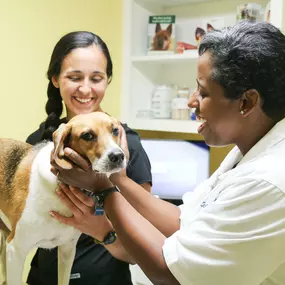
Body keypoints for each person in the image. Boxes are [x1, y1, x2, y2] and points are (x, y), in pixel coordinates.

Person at [49, 21, 285, 285]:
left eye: (203, 92)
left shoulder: (268, 180)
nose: (191, 101)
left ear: (246, 102)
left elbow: (172, 273)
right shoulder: (246, 155)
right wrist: (119, 179)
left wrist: (104, 192)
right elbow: (184, 220)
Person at [25, 31, 152, 285]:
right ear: (55, 80)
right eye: (74, 77)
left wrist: (99, 227)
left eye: (96, 78)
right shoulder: (38, 142)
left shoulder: (126, 148)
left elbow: (140, 248)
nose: (86, 89)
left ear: (107, 81)